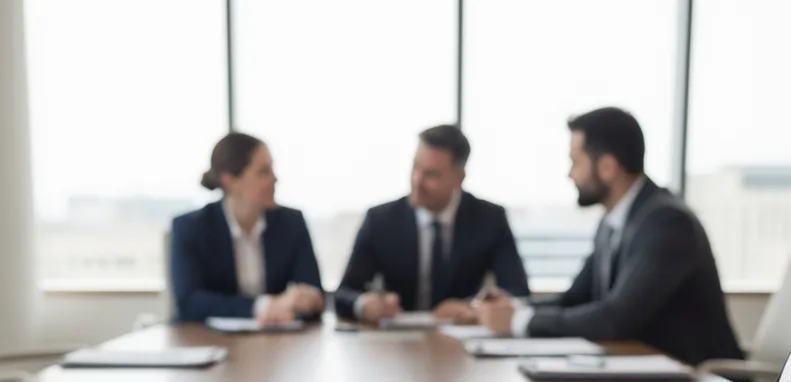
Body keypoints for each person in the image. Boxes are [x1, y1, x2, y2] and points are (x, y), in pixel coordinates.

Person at [475, 107, 743, 366]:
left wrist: (519, 320)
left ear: (607, 167)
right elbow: (575, 299)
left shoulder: (667, 222)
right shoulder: (613, 221)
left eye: (575, 162)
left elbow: (616, 318)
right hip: (640, 373)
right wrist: (510, 307)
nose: (570, 174)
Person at [333, 125, 530, 324]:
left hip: (461, 335)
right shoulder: (380, 220)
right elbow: (344, 294)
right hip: (397, 336)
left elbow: (518, 291)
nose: (417, 181)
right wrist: (365, 304)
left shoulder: (490, 219)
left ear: (459, 179)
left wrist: (473, 307)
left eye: (431, 174)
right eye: (415, 167)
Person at [170, 132, 325, 324]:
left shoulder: (291, 223)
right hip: (208, 338)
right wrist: (262, 307)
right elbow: (188, 303)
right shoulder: (191, 227)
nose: (275, 179)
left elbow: (313, 289)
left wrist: (306, 299)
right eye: (263, 172)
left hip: (276, 338)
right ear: (229, 181)